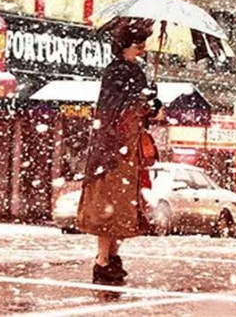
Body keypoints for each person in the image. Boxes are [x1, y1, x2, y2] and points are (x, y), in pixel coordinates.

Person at [76, 17, 160, 284]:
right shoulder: (117, 71)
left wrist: (151, 104)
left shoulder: (136, 71)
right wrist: (141, 101)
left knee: (122, 208)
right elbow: (115, 111)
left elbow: (140, 114)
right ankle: (103, 260)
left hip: (128, 150)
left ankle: (112, 258)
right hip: (113, 151)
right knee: (107, 206)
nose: (142, 48)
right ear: (124, 45)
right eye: (138, 44)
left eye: (144, 43)